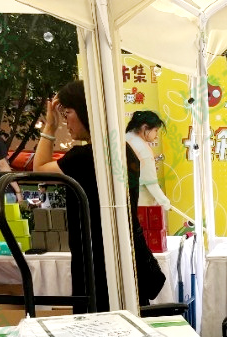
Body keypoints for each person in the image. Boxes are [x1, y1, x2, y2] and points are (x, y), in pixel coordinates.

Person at [33, 80, 166, 310]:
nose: (66, 121)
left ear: (84, 110)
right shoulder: (122, 150)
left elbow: (39, 170)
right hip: (124, 255)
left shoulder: (85, 157)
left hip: (94, 260)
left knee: (96, 321)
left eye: (67, 113)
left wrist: (50, 127)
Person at [124, 110, 172, 210]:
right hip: (138, 201)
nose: (156, 135)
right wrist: (165, 203)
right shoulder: (143, 149)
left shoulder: (126, 138)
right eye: (156, 130)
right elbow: (151, 182)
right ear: (145, 127)